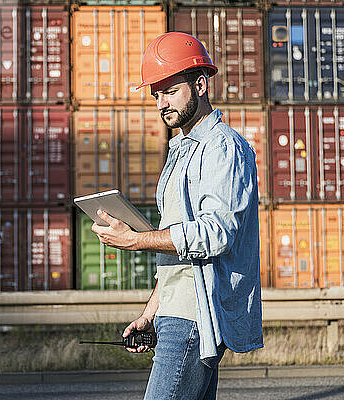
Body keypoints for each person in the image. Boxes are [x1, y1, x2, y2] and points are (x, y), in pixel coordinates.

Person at [91, 32, 263, 400]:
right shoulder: (182, 150)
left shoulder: (222, 149)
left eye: (170, 90)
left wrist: (137, 240)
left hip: (196, 317)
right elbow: (178, 251)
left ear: (200, 84)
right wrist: (153, 311)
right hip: (177, 312)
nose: (161, 102)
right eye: (156, 94)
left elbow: (216, 233)